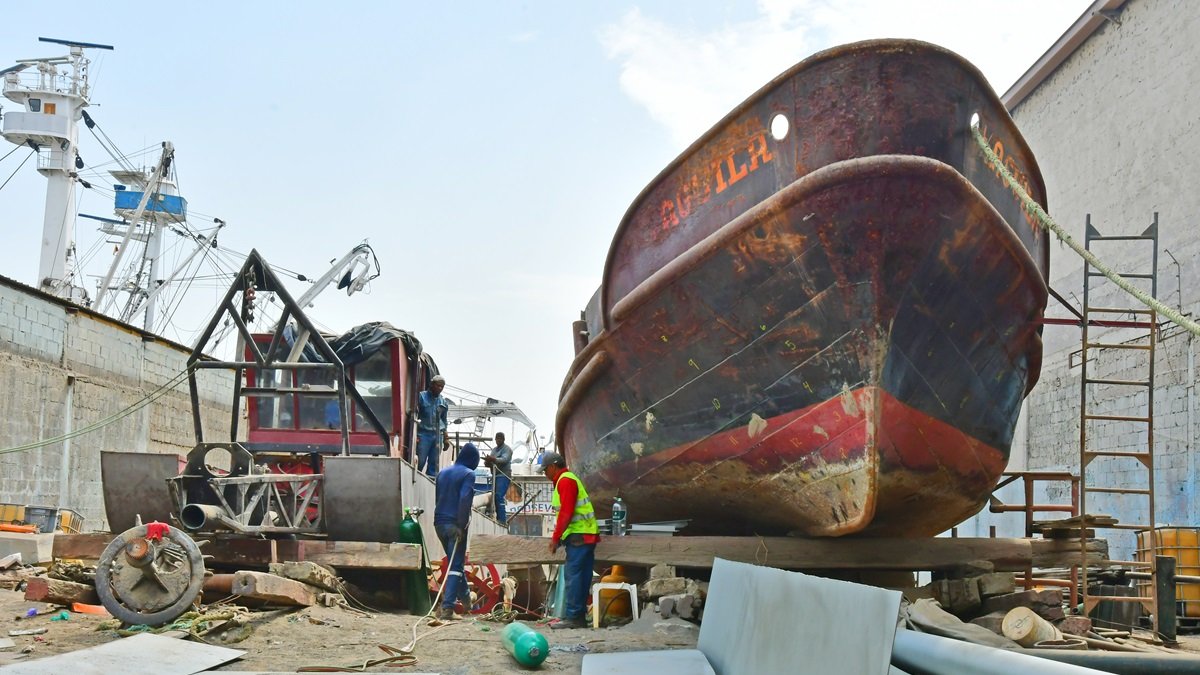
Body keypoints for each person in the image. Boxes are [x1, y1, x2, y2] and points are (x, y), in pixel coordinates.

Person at [541, 451, 599, 629]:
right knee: (582, 577)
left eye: (545, 470)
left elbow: (566, 513)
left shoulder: (565, 481)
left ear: (553, 467)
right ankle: (578, 617)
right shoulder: (570, 479)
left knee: (573, 577)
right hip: (586, 535)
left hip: (578, 536)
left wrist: (555, 538)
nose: (545, 474)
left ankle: (573, 617)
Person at [433, 442, 480, 621]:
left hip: (439, 523)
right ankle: (447, 608)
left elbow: (438, 498)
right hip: (455, 524)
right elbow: (465, 499)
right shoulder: (469, 474)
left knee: (456, 565)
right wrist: (461, 524)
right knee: (455, 566)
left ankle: (467, 601)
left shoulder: (442, 473)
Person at [415, 375, 449, 477]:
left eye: (442, 387)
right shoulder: (421, 397)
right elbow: (415, 415)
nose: (440, 388)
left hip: (438, 435)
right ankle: (416, 478)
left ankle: (431, 482)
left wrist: (446, 438)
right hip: (423, 433)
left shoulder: (443, 402)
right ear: (432, 384)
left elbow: (444, 420)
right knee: (420, 461)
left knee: (434, 463)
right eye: (438, 385)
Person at [482, 432, 513, 524]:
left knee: (499, 496)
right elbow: (492, 461)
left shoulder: (508, 449)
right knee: (494, 497)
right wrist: (487, 463)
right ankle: (495, 516)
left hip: (503, 475)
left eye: (500, 438)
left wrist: (493, 459)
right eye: (497, 438)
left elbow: (505, 459)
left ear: (503, 439)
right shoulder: (494, 450)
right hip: (495, 475)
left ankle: (502, 520)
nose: (498, 440)